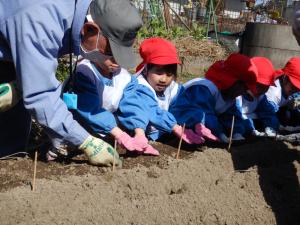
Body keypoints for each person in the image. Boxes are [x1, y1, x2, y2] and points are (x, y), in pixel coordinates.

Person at [0, 0, 143, 166]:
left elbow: (40, 71)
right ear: (90, 29)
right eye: (110, 51)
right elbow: (41, 95)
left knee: (11, 147)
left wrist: (23, 85)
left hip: (12, 48)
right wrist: (87, 142)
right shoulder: (42, 19)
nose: (112, 60)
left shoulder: (76, 11)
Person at [117, 37, 215, 151]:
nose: (164, 79)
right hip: (141, 135)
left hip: (164, 133)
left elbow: (183, 106)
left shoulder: (173, 88)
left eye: (169, 74)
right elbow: (151, 110)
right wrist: (175, 127)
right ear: (146, 70)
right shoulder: (140, 86)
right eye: (158, 72)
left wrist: (196, 121)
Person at [170, 53, 257, 143]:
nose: (243, 93)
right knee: (197, 115)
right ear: (234, 82)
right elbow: (205, 115)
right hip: (179, 117)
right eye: (244, 88)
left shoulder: (230, 97)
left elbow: (232, 117)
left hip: (202, 126)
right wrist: (220, 133)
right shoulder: (205, 88)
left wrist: (237, 133)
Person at [249, 57, 300, 137]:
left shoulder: (287, 88)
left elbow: (295, 97)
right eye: (294, 87)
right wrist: (274, 128)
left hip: (279, 107)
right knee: (279, 117)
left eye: (298, 88)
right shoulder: (274, 93)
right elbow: (267, 112)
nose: (296, 90)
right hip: (261, 113)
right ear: (285, 78)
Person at [234, 57, 276, 137]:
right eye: (259, 86)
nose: (262, 90)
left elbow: (268, 113)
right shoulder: (238, 94)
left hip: (249, 122)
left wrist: (271, 127)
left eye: (266, 87)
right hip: (236, 124)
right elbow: (234, 114)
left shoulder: (261, 97)